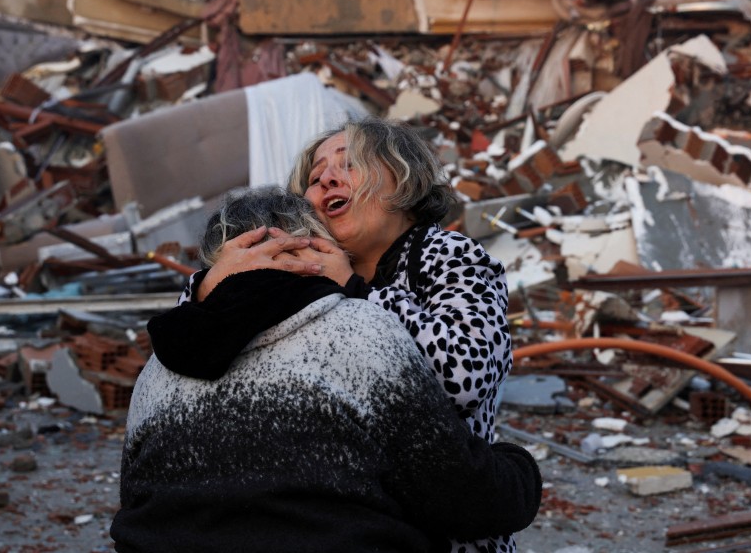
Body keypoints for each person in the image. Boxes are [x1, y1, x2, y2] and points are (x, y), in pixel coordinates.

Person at [149, 117, 517, 553]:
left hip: (446, 522)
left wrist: (357, 291)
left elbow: (462, 377)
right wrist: (213, 284)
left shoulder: (448, 257)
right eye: (313, 175)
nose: (325, 178)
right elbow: (192, 353)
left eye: (350, 163)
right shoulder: (303, 265)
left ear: (402, 180)